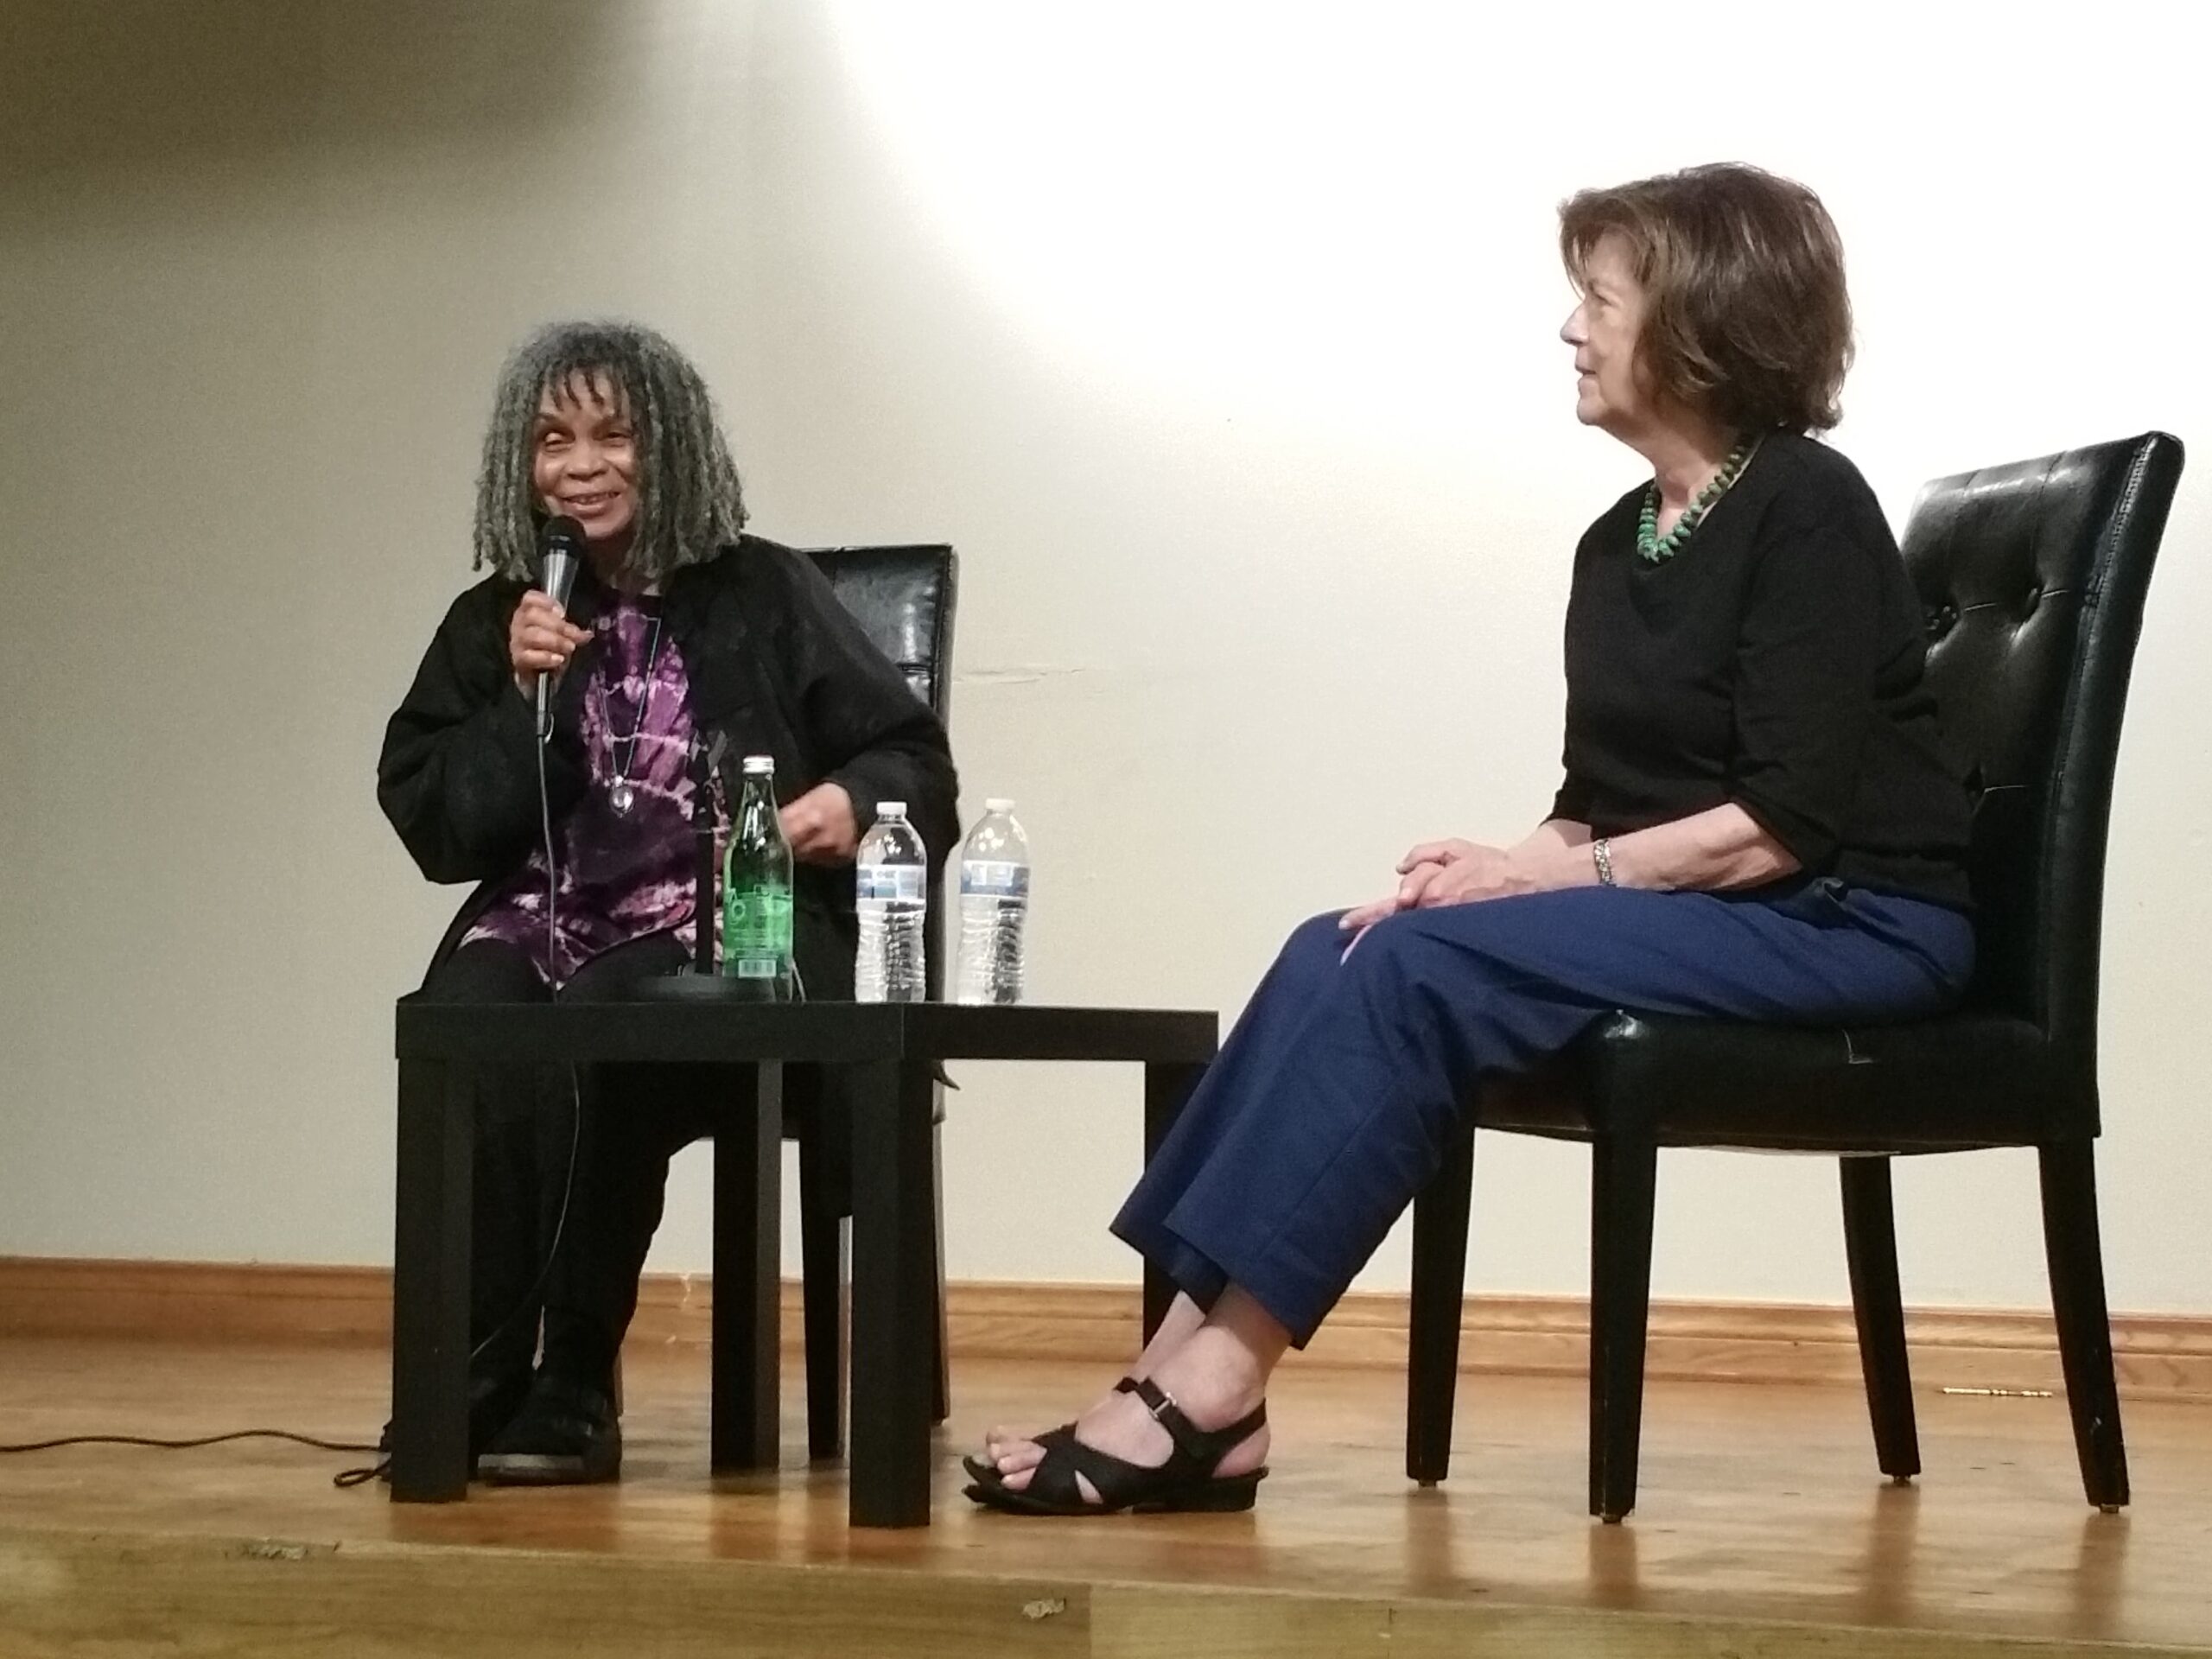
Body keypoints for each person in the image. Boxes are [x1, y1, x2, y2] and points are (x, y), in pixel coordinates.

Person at [966, 163, 1975, 1517]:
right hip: (1736, 910)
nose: (1571, 326)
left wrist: (1537, 882)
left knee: (1417, 976)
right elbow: (1600, 800)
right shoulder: (1620, 544)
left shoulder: (1807, 504)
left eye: (1599, 297)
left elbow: (1776, 827)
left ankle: (1213, 1391)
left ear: (1701, 319)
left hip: (1853, 921)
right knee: (1348, 944)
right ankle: (1177, 1376)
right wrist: (1488, 872)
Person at [378, 321, 958, 1484]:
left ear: (672, 447)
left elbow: (915, 764)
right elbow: (433, 821)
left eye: (613, 435)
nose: (579, 464)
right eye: (551, 439)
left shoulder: (765, 589)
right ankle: (469, 1378)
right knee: (472, 1021)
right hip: (544, 914)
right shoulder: (499, 619)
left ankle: (576, 1380)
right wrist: (518, 700)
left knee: (608, 1026)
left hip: (727, 925)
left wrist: (842, 803)